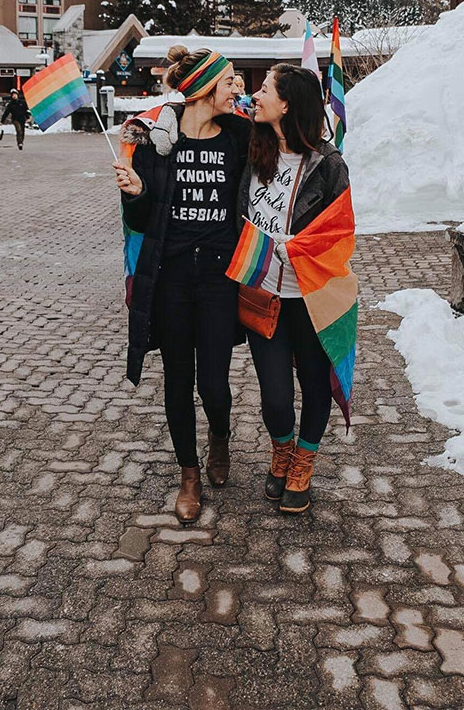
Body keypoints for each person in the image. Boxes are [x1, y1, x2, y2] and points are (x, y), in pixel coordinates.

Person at [113, 47, 250, 525]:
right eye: (231, 81)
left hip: (218, 277)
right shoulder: (157, 145)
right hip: (171, 276)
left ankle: (220, 436)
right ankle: (188, 474)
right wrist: (135, 195)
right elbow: (143, 219)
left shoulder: (239, 141)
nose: (238, 89)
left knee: (214, 382)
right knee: (177, 382)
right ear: (206, 87)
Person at [238, 64, 351, 514]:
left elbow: (342, 235)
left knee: (313, 385)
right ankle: (281, 449)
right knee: (275, 395)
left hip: (311, 298)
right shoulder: (250, 150)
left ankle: (302, 464)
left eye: (264, 89)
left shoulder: (329, 166)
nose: (255, 94)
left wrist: (300, 249)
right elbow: (190, 111)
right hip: (262, 294)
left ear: (287, 104)